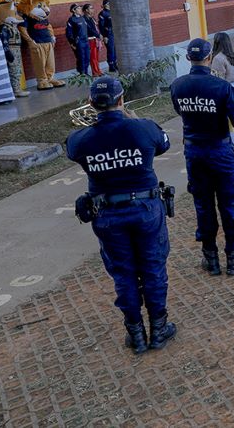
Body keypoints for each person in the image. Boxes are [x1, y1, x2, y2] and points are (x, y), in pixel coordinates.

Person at [65, 76, 174, 354]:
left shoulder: (82, 139)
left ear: (91, 103)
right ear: (122, 99)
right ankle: (158, 330)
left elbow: (72, 148)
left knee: (124, 274)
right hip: (146, 210)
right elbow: (164, 143)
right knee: (153, 267)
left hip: (109, 214)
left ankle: (136, 333)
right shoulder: (142, 128)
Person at [170, 38, 234, 276]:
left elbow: (181, 112)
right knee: (229, 205)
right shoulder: (222, 87)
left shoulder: (178, 86)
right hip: (220, 151)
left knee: (203, 206)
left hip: (194, 153)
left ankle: (211, 258)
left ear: (189, 59)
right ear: (208, 58)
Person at [210, 32, 234, 156]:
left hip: (226, 88)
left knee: (228, 120)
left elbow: (218, 79)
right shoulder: (233, 55)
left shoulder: (218, 58)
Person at [66, 3, 90, 75]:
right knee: (81, 58)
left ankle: (86, 72)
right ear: (74, 10)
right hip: (78, 42)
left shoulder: (82, 18)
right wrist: (72, 43)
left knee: (87, 57)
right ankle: (82, 73)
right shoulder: (71, 20)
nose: (80, 10)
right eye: (78, 8)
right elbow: (69, 33)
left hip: (85, 41)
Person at [98, 0, 118, 72]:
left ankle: (115, 64)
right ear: (104, 5)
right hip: (108, 34)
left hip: (114, 33)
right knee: (110, 50)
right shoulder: (102, 13)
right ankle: (111, 66)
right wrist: (104, 36)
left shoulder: (112, 12)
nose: (109, 5)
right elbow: (101, 26)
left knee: (115, 50)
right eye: (108, 4)